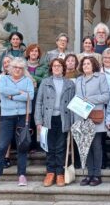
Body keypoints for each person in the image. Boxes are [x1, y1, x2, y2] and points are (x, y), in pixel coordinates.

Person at [0, 57, 35, 187]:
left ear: (23, 70)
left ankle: (21, 175)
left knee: (22, 146)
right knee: (2, 146)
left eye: (20, 68)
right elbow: (2, 91)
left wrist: (12, 96)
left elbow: (30, 96)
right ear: (10, 68)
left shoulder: (27, 80)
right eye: (15, 67)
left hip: (22, 117)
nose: (17, 70)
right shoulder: (4, 79)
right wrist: (20, 92)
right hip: (7, 116)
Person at [35, 58, 75, 187]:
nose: (57, 68)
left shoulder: (69, 84)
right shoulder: (45, 83)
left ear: (63, 68)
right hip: (48, 118)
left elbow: (73, 104)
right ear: (51, 68)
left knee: (61, 147)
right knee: (50, 147)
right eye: (54, 66)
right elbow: (39, 102)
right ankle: (50, 173)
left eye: (59, 66)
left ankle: (60, 174)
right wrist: (38, 121)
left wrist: (72, 122)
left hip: (63, 119)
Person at [74, 57, 110, 186]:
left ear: (93, 65)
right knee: (86, 147)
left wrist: (89, 99)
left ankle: (97, 175)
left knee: (96, 146)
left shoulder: (100, 77)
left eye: (88, 63)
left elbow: (106, 96)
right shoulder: (78, 80)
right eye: (84, 64)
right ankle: (89, 174)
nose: (86, 66)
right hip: (82, 117)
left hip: (95, 117)